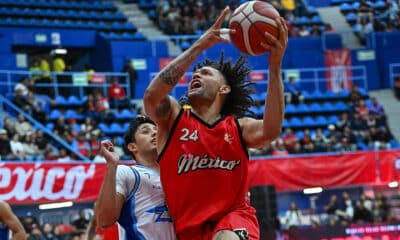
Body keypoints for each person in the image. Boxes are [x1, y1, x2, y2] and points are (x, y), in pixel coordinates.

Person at [143, 6, 287, 240]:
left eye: (207, 73)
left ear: (224, 88)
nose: (196, 75)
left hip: (234, 219)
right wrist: (199, 46)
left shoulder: (238, 128)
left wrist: (275, 66)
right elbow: (151, 97)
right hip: (188, 231)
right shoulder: (174, 120)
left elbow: (271, 130)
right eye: (195, 73)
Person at [95, 115, 176, 239]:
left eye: (156, 130)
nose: (154, 133)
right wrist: (111, 166)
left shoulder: (175, 174)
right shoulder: (127, 172)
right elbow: (104, 221)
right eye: (145, 131)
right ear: (133, 147)